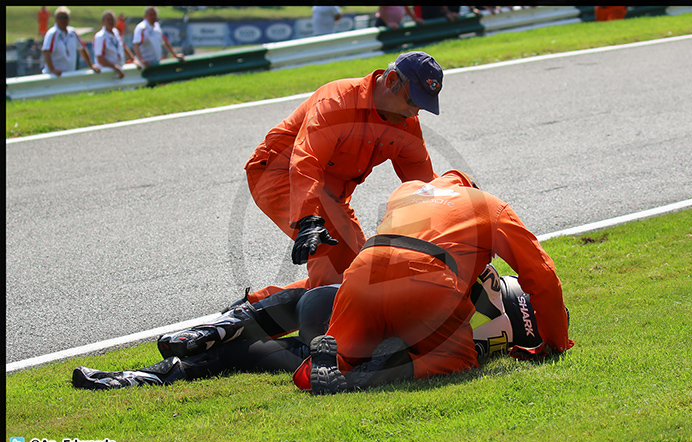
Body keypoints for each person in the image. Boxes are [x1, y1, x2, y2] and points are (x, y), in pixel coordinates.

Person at [71, 261, 562, 391]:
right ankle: (213, 339)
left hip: (331, 317)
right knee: (254, 348)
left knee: (284, 316)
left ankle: (217, 331)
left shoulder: (465, 284)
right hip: (339, 340)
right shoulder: (469, 348)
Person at [292, 170, 574, 394]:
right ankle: (373, 376)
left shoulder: (406, 191)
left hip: (363, 270)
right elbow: (543, 277)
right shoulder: (488, 205)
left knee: (342, 355)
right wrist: (556, 342)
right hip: (428, 277)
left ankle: (329, 361)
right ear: (470, 188)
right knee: (459, 360)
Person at [242, 51, 444, 306]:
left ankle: (252, 308)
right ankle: (325, 331)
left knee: (361, 270)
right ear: (391, 80)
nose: (414, 110)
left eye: (422, 104)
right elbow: (307, 159)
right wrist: (309, 219)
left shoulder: (406, 123)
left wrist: (452, 209)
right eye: (411, 99)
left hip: (329, 192)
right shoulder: (337, 101)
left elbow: (423, 181)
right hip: (280, 174)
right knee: (333, 257)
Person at [41, 6, 100, 77]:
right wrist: (52, 69)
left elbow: (82, 49)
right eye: (60, 18)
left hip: (69, 73)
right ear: (56, 19)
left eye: (65, 17)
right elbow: (46, 52)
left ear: (69, 19)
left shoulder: (73, 33)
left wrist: (91, 65)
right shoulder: (52, 33)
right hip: (55, 75)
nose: (63, 20)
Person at [94, 10, 143, 79]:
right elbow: (100, 58)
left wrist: (133, 59)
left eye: (112, 19)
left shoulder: (116, 32)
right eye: (108, 20)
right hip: (107, 72)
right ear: (103, 21)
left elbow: (123, 46)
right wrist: (115, 67)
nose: (111, 22)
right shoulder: (100, 37)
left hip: (119, 69)